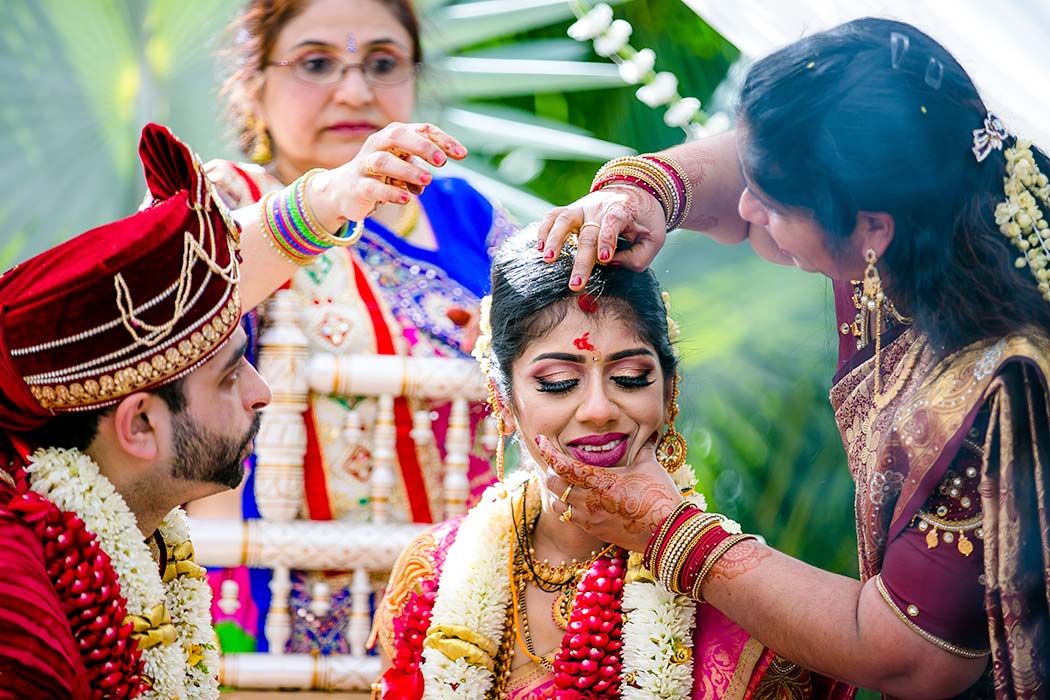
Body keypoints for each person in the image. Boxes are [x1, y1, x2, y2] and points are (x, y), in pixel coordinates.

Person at [534, 17, 1050, 700]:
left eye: (772, 202)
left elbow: (909, 656)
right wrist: (645, 190)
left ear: (871, 229)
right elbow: (760, 165)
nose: (744, 208)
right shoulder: (928, 191)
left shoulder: (1000, 381)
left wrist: (666, 528)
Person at [0, 117, 467, 698]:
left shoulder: (126, 542)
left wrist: (329, 198)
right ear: (140, 423)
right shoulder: (20, 609)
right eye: (229, 379)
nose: (263, 391)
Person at [369, 227, 853, 700]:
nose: (599, 409)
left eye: (630, 376)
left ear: (669, 392)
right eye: (558, 380)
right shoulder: (432, 575)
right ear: (502, 399)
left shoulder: (741, 594)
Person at [192, 0, 514, 654]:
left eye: (383, 63)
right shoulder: (221, 199)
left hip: (454, 626)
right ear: (254, 84)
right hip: (254, 627)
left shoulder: (468, 219)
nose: (355, 91)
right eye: (316, 63)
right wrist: (327, 202)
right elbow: (178, 303)